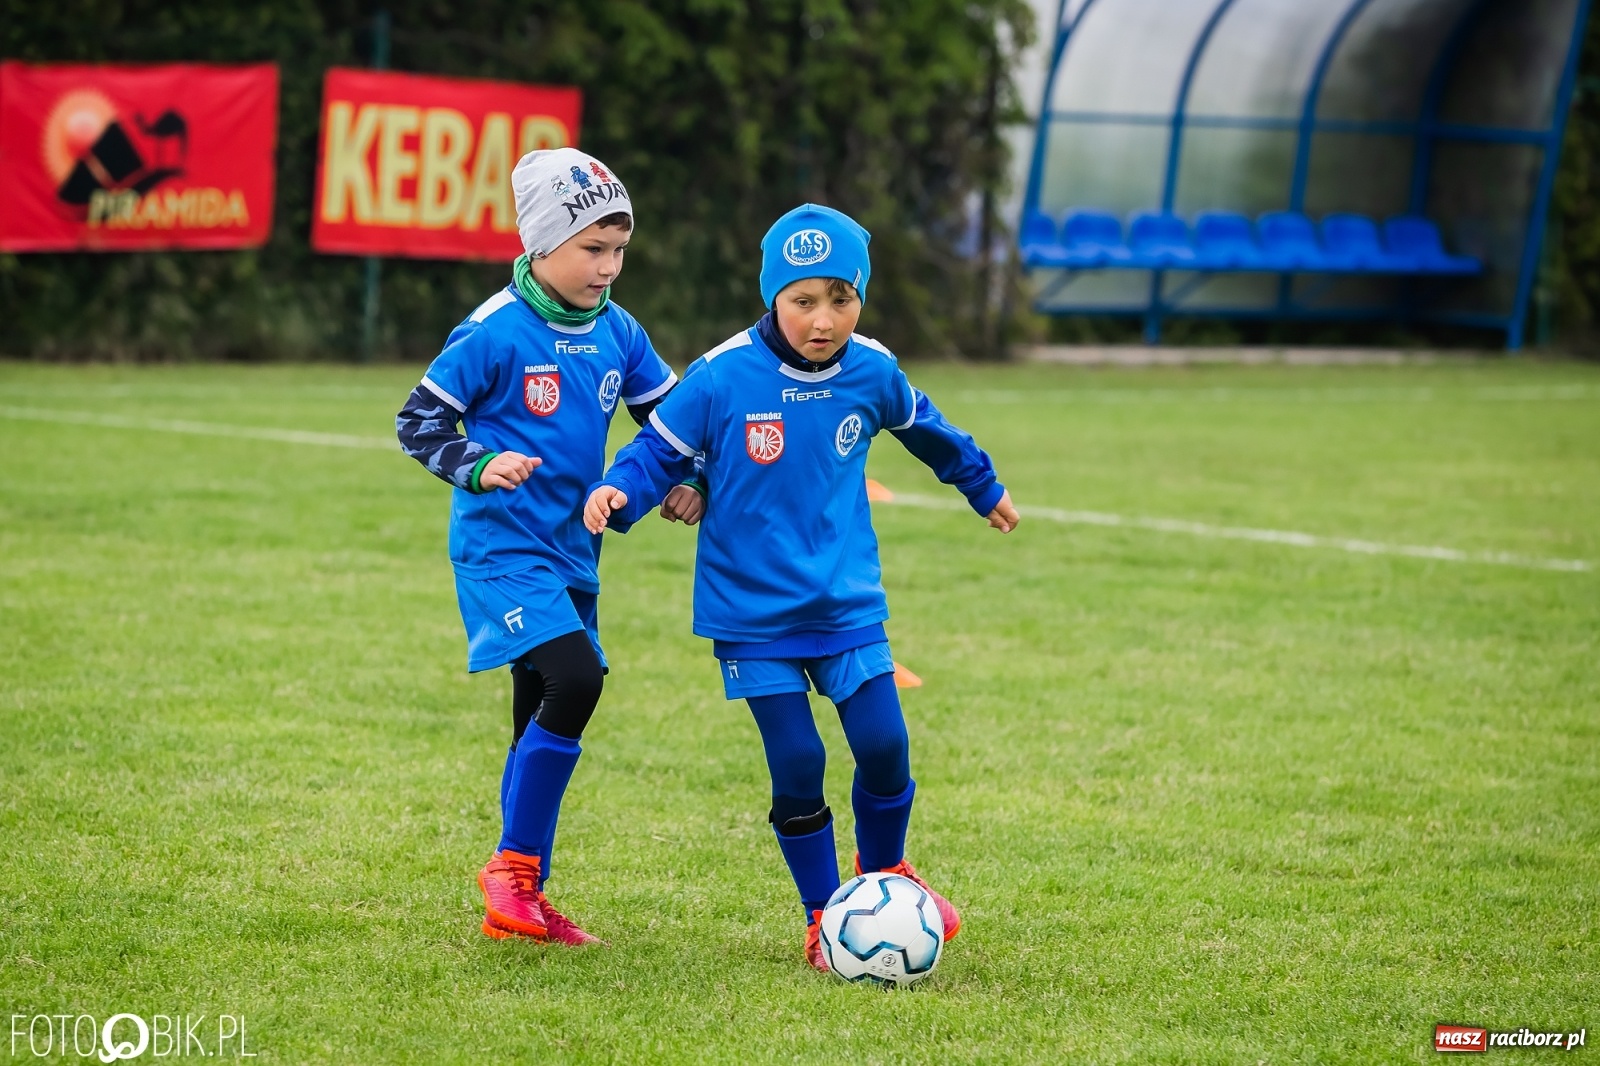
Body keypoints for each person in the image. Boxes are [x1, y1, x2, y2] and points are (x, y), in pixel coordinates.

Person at [583, 204, 1019, 970]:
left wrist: (981, 486)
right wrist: (620, 493)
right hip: (753, 615)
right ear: (772, 297)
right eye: (803, 300)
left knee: (885, 745)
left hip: (846, 603)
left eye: (841, 299)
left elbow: (930, 430)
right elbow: (656, 452)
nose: (824, 319)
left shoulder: (872, 370)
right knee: (798, 762)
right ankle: (826, 918)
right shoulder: (721, 377)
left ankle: (884, 876)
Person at [395, 147, 702, 945]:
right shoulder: (493, 331)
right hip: (503, 549)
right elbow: (418, 423)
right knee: (578, 678)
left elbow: (668, 425)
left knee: (536, 710)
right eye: (592, 249)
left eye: (619, 251)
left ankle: (519, 899)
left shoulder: (620, 331)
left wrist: (684, 478)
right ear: (540, 244)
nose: (608, 268)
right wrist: (480, 463)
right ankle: (513, 873)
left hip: (575, 552)